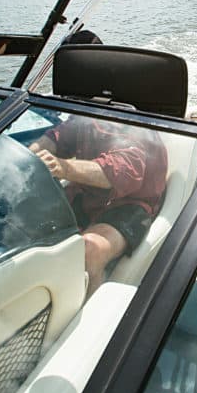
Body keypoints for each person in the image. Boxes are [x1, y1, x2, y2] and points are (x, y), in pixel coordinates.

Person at [30, 117, 167, 294]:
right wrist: (27, 157)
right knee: (24, 221)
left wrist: (63, 167)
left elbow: (122, 171)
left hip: (130, 204)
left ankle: (83, 315)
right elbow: (57, 138)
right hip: (86, 194)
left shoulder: (136, 125)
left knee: (88, 250)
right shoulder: (89, 110)